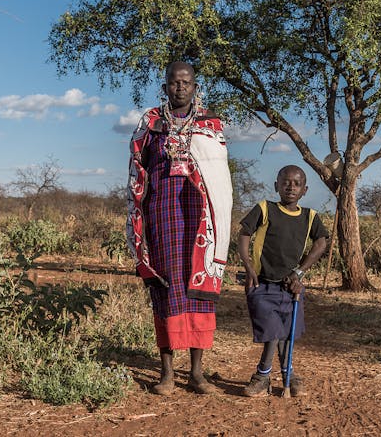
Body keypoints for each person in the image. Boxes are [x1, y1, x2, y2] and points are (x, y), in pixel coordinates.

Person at [126, 61, 232, 395]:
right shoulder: (151, 122)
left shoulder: (210, 124)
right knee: (166, 288)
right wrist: (139, 212)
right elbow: (136, 169)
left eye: (186, 83)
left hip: (199, 216)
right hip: (162, 213)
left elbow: (220, 176)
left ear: (195, 86)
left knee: (198, 291)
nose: (180, 88)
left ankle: (198, 374)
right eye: (174, 83)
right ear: (165, 86)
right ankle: (167, 374)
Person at [236, 165, 328, 397]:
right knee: (271, 329)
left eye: (297, 183)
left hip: (290, 286)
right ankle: (263, 375)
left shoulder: (310, 217)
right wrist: (248, 267)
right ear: (277, 185)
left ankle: (287, 374)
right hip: (262, 282)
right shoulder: (265, 209)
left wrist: (300, 272)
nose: (291, 187)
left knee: (287, 331)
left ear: (305, 190)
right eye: (286, 182)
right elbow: (244, 234)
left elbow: (321, 243)